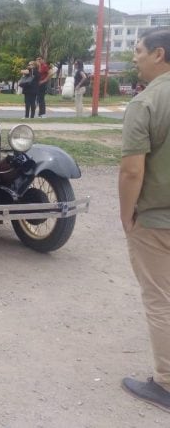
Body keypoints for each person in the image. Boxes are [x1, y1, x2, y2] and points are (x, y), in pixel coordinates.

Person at [118, 28, 170, 413]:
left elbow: (132, 172)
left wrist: (126, 216)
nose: (134, 57)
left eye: (138, 50)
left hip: (157, 220)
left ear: (159, 54)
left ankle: (166, 384)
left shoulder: (146, 103)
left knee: (160, 299)